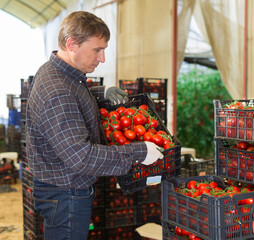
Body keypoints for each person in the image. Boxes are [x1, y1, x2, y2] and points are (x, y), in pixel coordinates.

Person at [25, 11, 163, 240]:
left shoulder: (57, 73)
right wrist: (139, 151)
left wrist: (101, 92)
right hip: (66, 193)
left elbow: (73, 95)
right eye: (97, 50)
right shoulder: (57, 92)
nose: (102, 58)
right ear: (72, 44)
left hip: (60, 188)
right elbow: (82, 157)